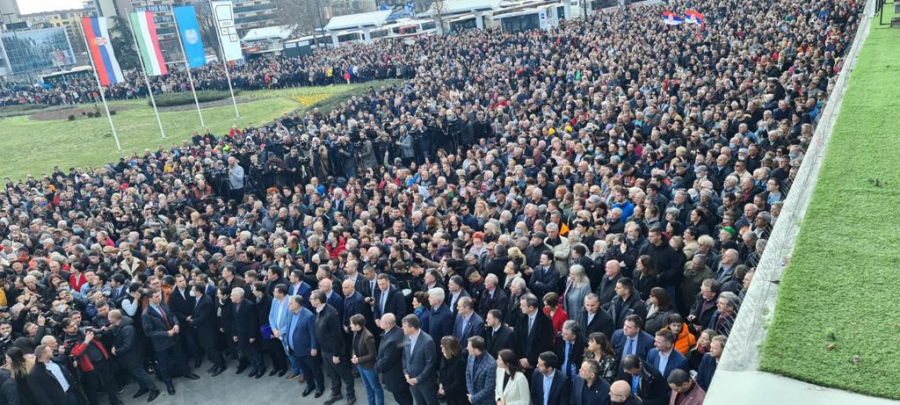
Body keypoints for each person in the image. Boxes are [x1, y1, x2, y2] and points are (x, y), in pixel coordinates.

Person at [142, 288, 199, 396]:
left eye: (159, 295)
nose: (159, 297)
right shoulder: (146, 314)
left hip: (174, 338)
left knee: (181, 356)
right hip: (162, 344)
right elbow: (149, 332)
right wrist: (166, 333)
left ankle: (187, 373)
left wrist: (176, 324)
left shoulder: (163, 305)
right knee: (164, 365)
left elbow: (172, 315)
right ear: (149, 299)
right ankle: (168, 384)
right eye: (156, 297)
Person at [61, 316, 123, 405]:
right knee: (92, 389)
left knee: (109, 381)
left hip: (101, 358)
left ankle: (114, 400)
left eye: (74, 324)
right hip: (89, 366)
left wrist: (103, 329)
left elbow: (97, 330)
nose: (75, 326)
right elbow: (76, 353)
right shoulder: (68, 342)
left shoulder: (83, 329)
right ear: (65, 329)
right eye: (71, 326)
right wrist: (86, 341)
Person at [312, 289, 356, 405]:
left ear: (318, 300)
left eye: (311, 298)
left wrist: (336, 354)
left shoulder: (331, 314)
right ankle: (336, 393)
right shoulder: (317, 310)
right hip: (325, 350)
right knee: (332, 374)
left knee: (345, 374)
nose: (309, 300)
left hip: (334, 351)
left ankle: (351, 395)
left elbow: (337, 336)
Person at [108, 309, 160, 402]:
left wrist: (116, 351)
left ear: (113, 319)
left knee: (140, 373)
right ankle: (143, 387)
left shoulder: (128, 329)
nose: (108, 319)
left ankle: (154, 389)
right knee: (135, 374)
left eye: (109, 317)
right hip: (127, 357)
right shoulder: (117, 326)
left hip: (133, 356)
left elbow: (128, 345)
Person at [286, 294, 325, 398]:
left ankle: (320, 387)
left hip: (307, 350)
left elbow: (313, 334)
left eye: (290, 303)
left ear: (298, 304)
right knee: (305, 370)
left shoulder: (308, 316)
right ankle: (310, 385)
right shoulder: (290, 313)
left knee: (315, 370)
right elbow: (289, 329)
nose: (288, 305)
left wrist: (314, 347)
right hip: (295, 350)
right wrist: (288, 344)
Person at [189, 282, 226, 376]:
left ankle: (221, 365)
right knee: (208, 348)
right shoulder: (198, 299)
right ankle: (216, 363)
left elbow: (203, 317)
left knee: (212, 348)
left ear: (198, 291)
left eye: (193, 290)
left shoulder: (206, 301)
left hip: (208, 329)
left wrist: (192, 322)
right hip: (202, 329)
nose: (192, 292)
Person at [376, 313, 413, 405]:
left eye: (382, 321)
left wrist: (376, 366)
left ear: (388, 325)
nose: (379, 322)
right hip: (397, 375)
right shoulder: (398, 331)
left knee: (402, 398)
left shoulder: (393, 340)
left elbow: (387, 361)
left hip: (396, 376)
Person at [401, 314, 438, 405]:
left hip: (426, 383)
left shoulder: (428, 341)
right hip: (412, 381)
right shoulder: (406, 337)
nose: (402, 328)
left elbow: (430, 364)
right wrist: (405, 372)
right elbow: (404, 356)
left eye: (404, 326)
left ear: (412, 328)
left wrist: (418, 379)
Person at [514, 293, 553, 374]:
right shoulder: (521, 317)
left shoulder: (545, 322)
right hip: (521, 362)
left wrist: (531, 361)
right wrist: (521, 359)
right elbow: (517, 339)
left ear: (531, 308)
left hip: (536, 365)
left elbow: (545, 345)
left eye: (523, 305)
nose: (520, 307)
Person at [231, 287, 265, 378]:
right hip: (240, 334)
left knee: (255, 352)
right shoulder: (234, 305)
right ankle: (254, 367)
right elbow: (234, 320)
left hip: (249, 335)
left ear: (238, 296)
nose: (230, 297)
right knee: (248, 353)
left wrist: (252, 336)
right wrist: (235, 334)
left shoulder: (249, 305)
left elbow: (253, 322)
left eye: (232, 295)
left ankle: (260, 369)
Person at [351, 313, 384, 405]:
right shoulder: (355, 332)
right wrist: (354, 355)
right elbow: (354, 346)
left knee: (376, 387)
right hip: (360, 365)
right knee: (367, 387)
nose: (350, 325)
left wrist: (358, 359)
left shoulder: (368, 336)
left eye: (351, 324)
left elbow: (372, 355)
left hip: (369, 367)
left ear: (357, 325)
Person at [465, 336, 496, 405]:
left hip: (485, 401)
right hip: (472, 398)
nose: (467, 348)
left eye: (469, 347)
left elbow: (488, 388)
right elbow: (468, 374)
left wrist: (474, 398)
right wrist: (471, 394)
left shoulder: (491, 364)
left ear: (475, 349)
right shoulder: (470, 356)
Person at [438, 336, 467, 405]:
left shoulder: (459, 362)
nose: (441, 350)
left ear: (449, 349)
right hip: (449, 395)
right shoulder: (445, 357)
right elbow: (441, 372)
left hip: (458, 397)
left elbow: (458, 382)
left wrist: (445, 390)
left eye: (443, 347)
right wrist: (441, 383)